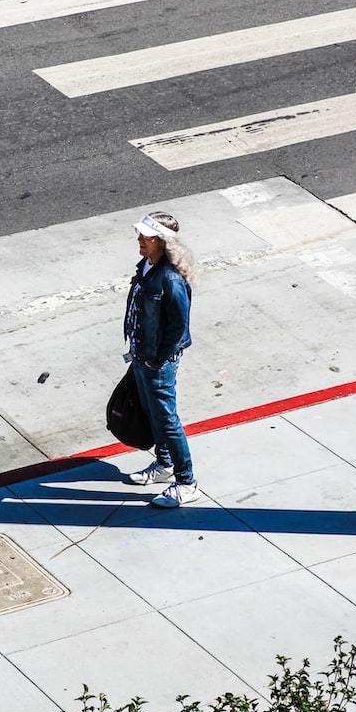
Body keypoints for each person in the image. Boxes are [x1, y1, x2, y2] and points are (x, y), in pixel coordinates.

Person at [123, 211, 202, 508]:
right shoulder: (146, 265)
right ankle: (164, 464)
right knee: (152, 411)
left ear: (161, 241)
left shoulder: (169, 277)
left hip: (157, 360)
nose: (139, 239)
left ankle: (187, 482)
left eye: (146, 236)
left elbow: (179, 324)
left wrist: (158, 359)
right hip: (142, 354)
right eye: (141, 234)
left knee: (167, 420)